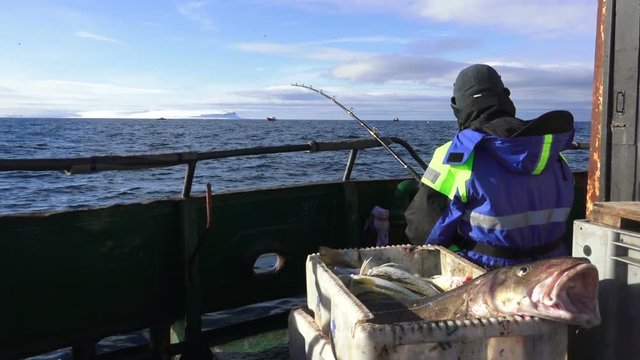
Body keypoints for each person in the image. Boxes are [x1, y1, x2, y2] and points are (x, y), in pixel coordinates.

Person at [405, 64, 575, 269]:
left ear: (458, 107)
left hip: (489, 281)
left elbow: (423, 234)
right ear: (505, 97)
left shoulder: (456, 156)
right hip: (551, 276)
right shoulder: (552, 153)